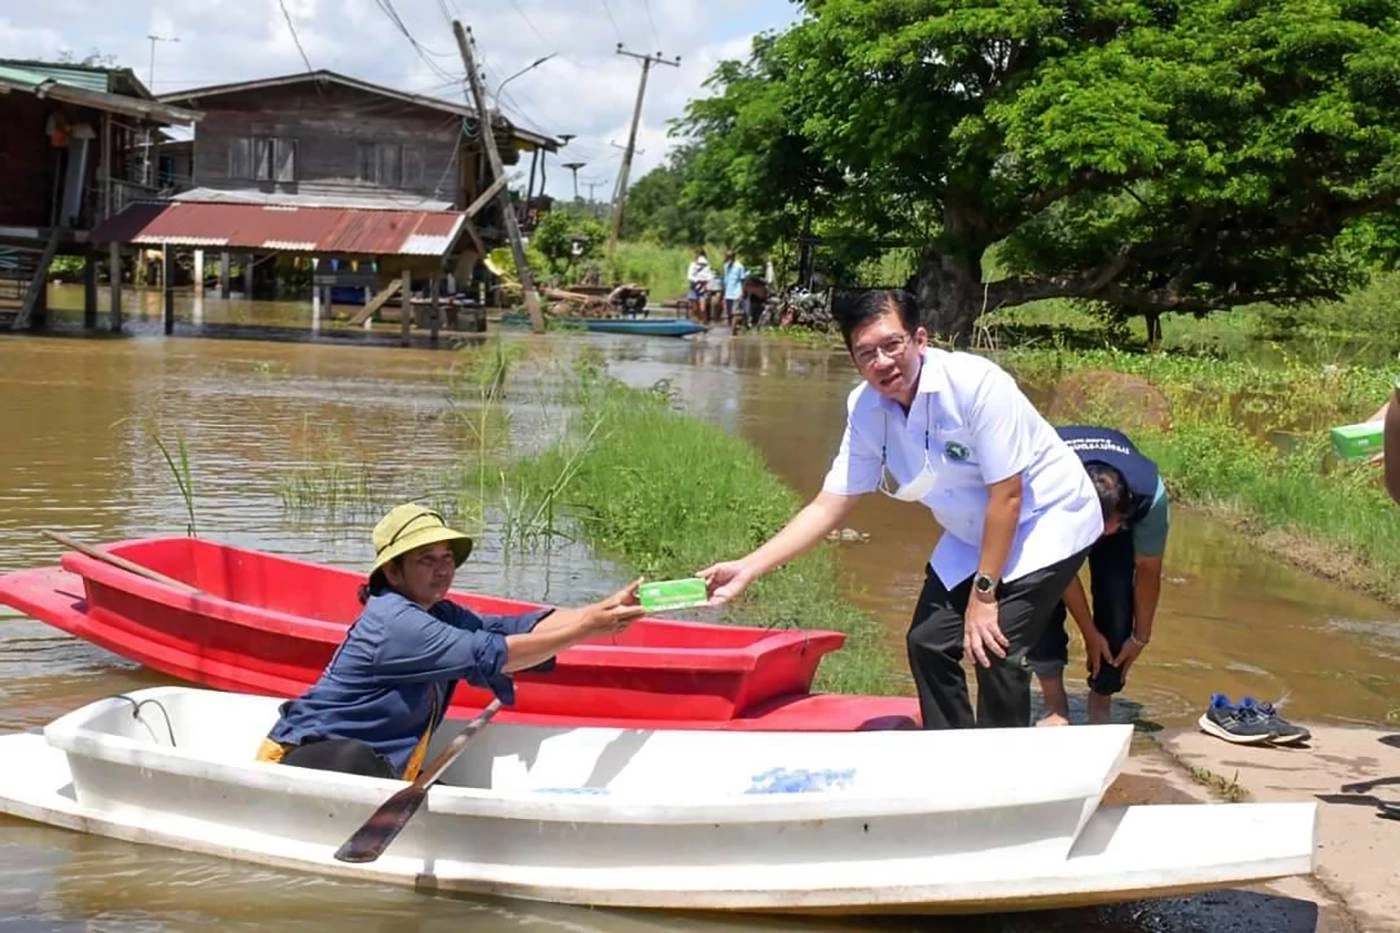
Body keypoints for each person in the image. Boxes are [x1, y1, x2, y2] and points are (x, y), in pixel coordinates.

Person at [698, 290, 1103, 729]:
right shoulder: (866, 409)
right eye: (866, 353)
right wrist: (749, 567)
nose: (882, 362)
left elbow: (1008, 496)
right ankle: (950, 749)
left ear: (920, 340)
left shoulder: (977, 385)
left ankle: (1000, 771)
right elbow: (829, 504)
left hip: (1045, 517)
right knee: (928, 642)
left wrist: (983, 596)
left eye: (892, 345)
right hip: (974, 528)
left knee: (994, 646)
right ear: (854, 361)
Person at [255, 503, 644, 780]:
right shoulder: (395, 624)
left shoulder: (437, 612)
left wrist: (604, 610)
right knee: (360, 759)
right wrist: (586, 629)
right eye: (426, 559)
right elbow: (492, 655)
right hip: (308, 760)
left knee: (391, 773)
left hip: (378, 764)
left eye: (447, 558)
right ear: (392, 571)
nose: (443, 569)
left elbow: (515, 629)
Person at [1028, 426, 1169, 726]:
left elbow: (1148, 572)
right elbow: (1060, 573)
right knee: (1040, 596)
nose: (1095, 536)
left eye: (1103, 528)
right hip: (1059, 505)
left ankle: (1101, 701)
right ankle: (1055, 707)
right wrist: (1089, 633)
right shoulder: (1048, 490)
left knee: (1117, 601)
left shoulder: (1149, 497)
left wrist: (1140, 637)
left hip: (1115, 507)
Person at [721, 251, 747, 327]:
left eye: (728, 257)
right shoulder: (725, 266)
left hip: (736, 292)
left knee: (734, 313)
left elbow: (742, 280)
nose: (727, 259)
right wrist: (723, 292)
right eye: (726, 257)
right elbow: (725, 280)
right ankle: (731, 328)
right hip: (728, 293)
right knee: (728, 313)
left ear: (732, 257)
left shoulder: (739, 266)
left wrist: (742, 292)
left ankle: (734, 332)